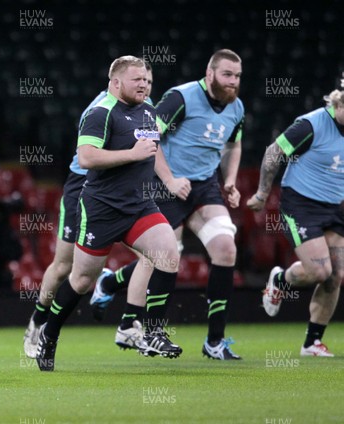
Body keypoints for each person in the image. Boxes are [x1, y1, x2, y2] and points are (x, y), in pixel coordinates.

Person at [92, 49, 245, 360]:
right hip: (165, 184)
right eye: (227, 74)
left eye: (238, 76)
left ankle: (215, 341)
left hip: (204, 187)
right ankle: (130, 306)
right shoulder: (181, 98)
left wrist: (230, 180)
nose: (233, 81)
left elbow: (233, 144)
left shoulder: (236, 106)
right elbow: (150, 139)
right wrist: (172, 180)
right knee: (165, 255)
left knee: (226, 249)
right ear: (210, 73)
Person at [36, 56, 182, 372]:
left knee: (169, 253)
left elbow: (153, 150)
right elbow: (86, 157)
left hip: (139, 206)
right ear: (116, 82)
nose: (144, 85)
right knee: (82, 279)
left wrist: (168, 180)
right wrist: (131, 153)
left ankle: (153, 332)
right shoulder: (100, 113)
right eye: (137, 80)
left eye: (147, 80)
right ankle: (49, 333)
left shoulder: (148, 111)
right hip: (101, 209)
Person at [247, 87, 344, 357]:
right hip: (300, 206)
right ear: (339, 104)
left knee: (336, 276)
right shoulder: (311, 125)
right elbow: (273, 152)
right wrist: (262, 194)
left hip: (335, 207)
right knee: (319, 272)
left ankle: (311, 343)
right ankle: (280, 280)